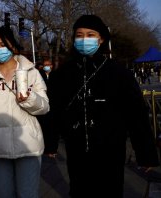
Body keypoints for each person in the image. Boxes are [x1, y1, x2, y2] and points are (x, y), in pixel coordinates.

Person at [47, 15, 160, 197]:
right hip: (76, 151)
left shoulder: (118, 72)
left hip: (111, 151)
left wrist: (145, 152)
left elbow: (136, 114)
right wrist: (50, 142)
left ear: (101, 39)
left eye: (90, 34)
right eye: (79, 35)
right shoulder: (63, 74)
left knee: (111, 191)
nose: (85, 39)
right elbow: (53, 110)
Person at [0, 26, 49, 197]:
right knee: (3, 193)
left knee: (28, 194)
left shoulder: (31, 72)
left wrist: (28, 98)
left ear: (12, 45)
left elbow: (44, 107)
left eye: (2, 44)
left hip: (28, 144)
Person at [37, 59, 59, 158]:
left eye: (48, 64)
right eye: (45, 64)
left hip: (54, 106)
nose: (46, 66)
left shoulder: (57, 75)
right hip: (43, 105)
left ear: (52, 66)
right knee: (44, 128)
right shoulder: (39, 75)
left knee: (54, 129)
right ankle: (45, 148)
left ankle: (53, 149)